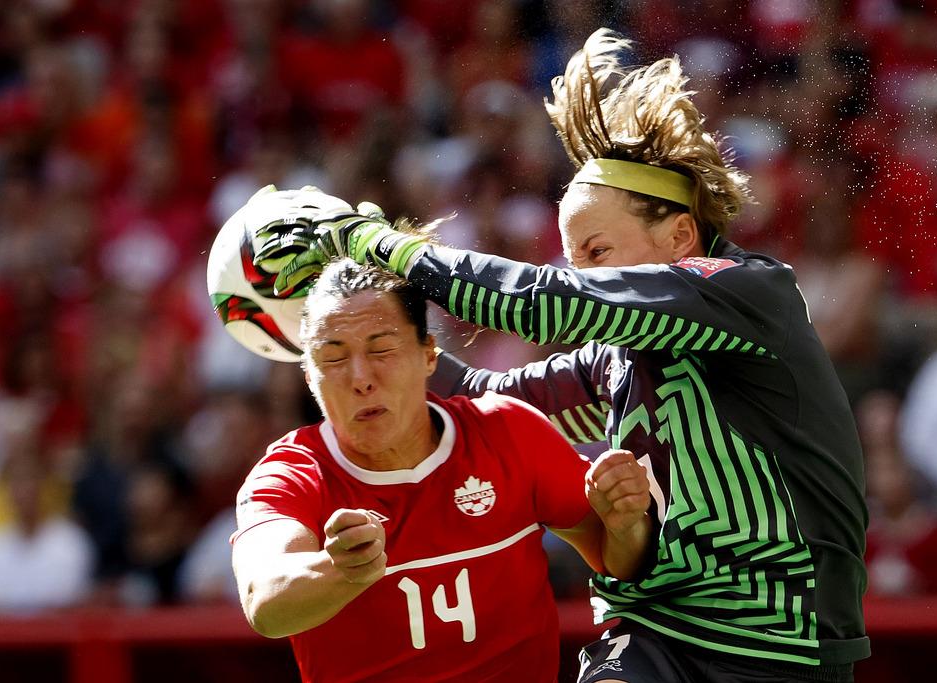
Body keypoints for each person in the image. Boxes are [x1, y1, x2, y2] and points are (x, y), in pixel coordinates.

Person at [247, 27, 870, 683]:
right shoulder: (616, 358)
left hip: (783, 652)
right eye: (575, 260)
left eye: (597, 254)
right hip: (654, 637)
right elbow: (484, 396)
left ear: (681, 236)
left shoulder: (750, 293)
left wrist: (380, 243)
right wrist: (351, 330)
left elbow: (542, 299)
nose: (584, 275)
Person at [229, 259, 653, 682]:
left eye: (382, 350)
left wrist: (624, 523)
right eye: (334, 358)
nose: (361, 378)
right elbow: (264, 601)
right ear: (308, 376)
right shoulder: (290, 473)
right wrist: (340, 569)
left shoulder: (508, 430)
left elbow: (618, 561)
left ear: (429, 354)